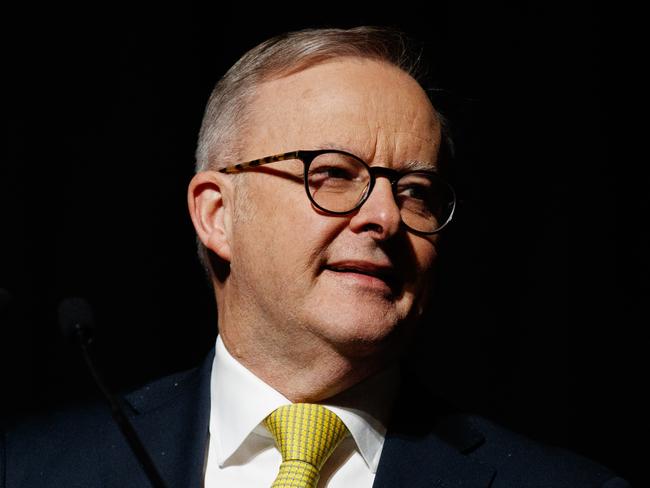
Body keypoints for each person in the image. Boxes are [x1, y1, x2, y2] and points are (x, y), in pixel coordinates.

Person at [1, 26, 628, 488]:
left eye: (416, 192)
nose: (385, 217)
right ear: (218, 215)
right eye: (331, 173)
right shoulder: (29, 470)